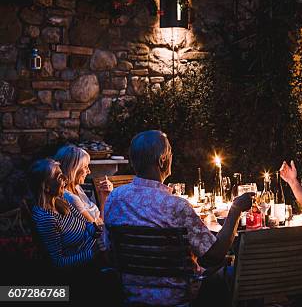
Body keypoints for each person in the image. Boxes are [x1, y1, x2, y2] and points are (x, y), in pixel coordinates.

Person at [103, 130, 253, 306]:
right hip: (180, 298)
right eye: (171, 154)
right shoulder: (176, 207)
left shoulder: (114, 198)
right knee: (236, 274)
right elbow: (214, 256)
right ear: (162, 160)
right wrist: (235, 210)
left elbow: (109, 250)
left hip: (130, 296)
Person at [28, 158, 102, 268]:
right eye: (59, 177)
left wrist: (99, 232)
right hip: (87, 264)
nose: (66, 179)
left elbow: (85, 223)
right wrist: (94, 253)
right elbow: (58, 262)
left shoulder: (61, 200)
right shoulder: (46, 219)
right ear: (46, 187)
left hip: (96, 246)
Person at [54, 145, 112, 224]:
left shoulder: (77, 188)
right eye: (85, 167)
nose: (89, 171)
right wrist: (104, 198)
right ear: (73, 169)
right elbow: (98, 227)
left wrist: (103, 194)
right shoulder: (71, 198)